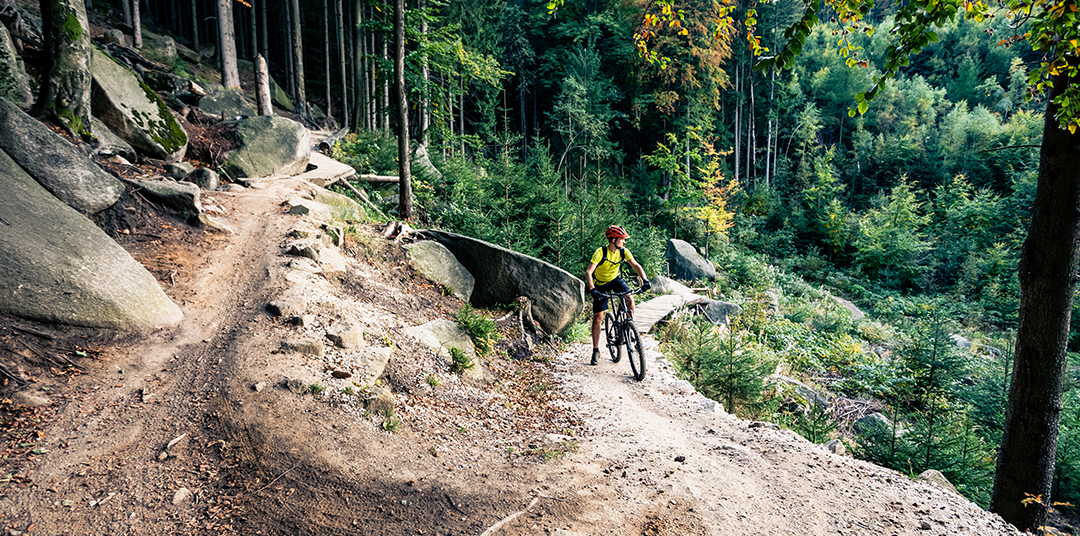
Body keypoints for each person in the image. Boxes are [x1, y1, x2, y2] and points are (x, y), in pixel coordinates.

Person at [584, 225, 649, 366]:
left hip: (615, 280)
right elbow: (589, 272)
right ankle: (595, 350)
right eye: (622, 239)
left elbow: (636, 265)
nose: (624, 242)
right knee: (598, 318)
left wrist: (645, 280)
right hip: (600, 284)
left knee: (629, 298)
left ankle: (629, 327)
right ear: (613, 240)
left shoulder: (623, 252)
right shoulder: (600, 252)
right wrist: (592, 289)